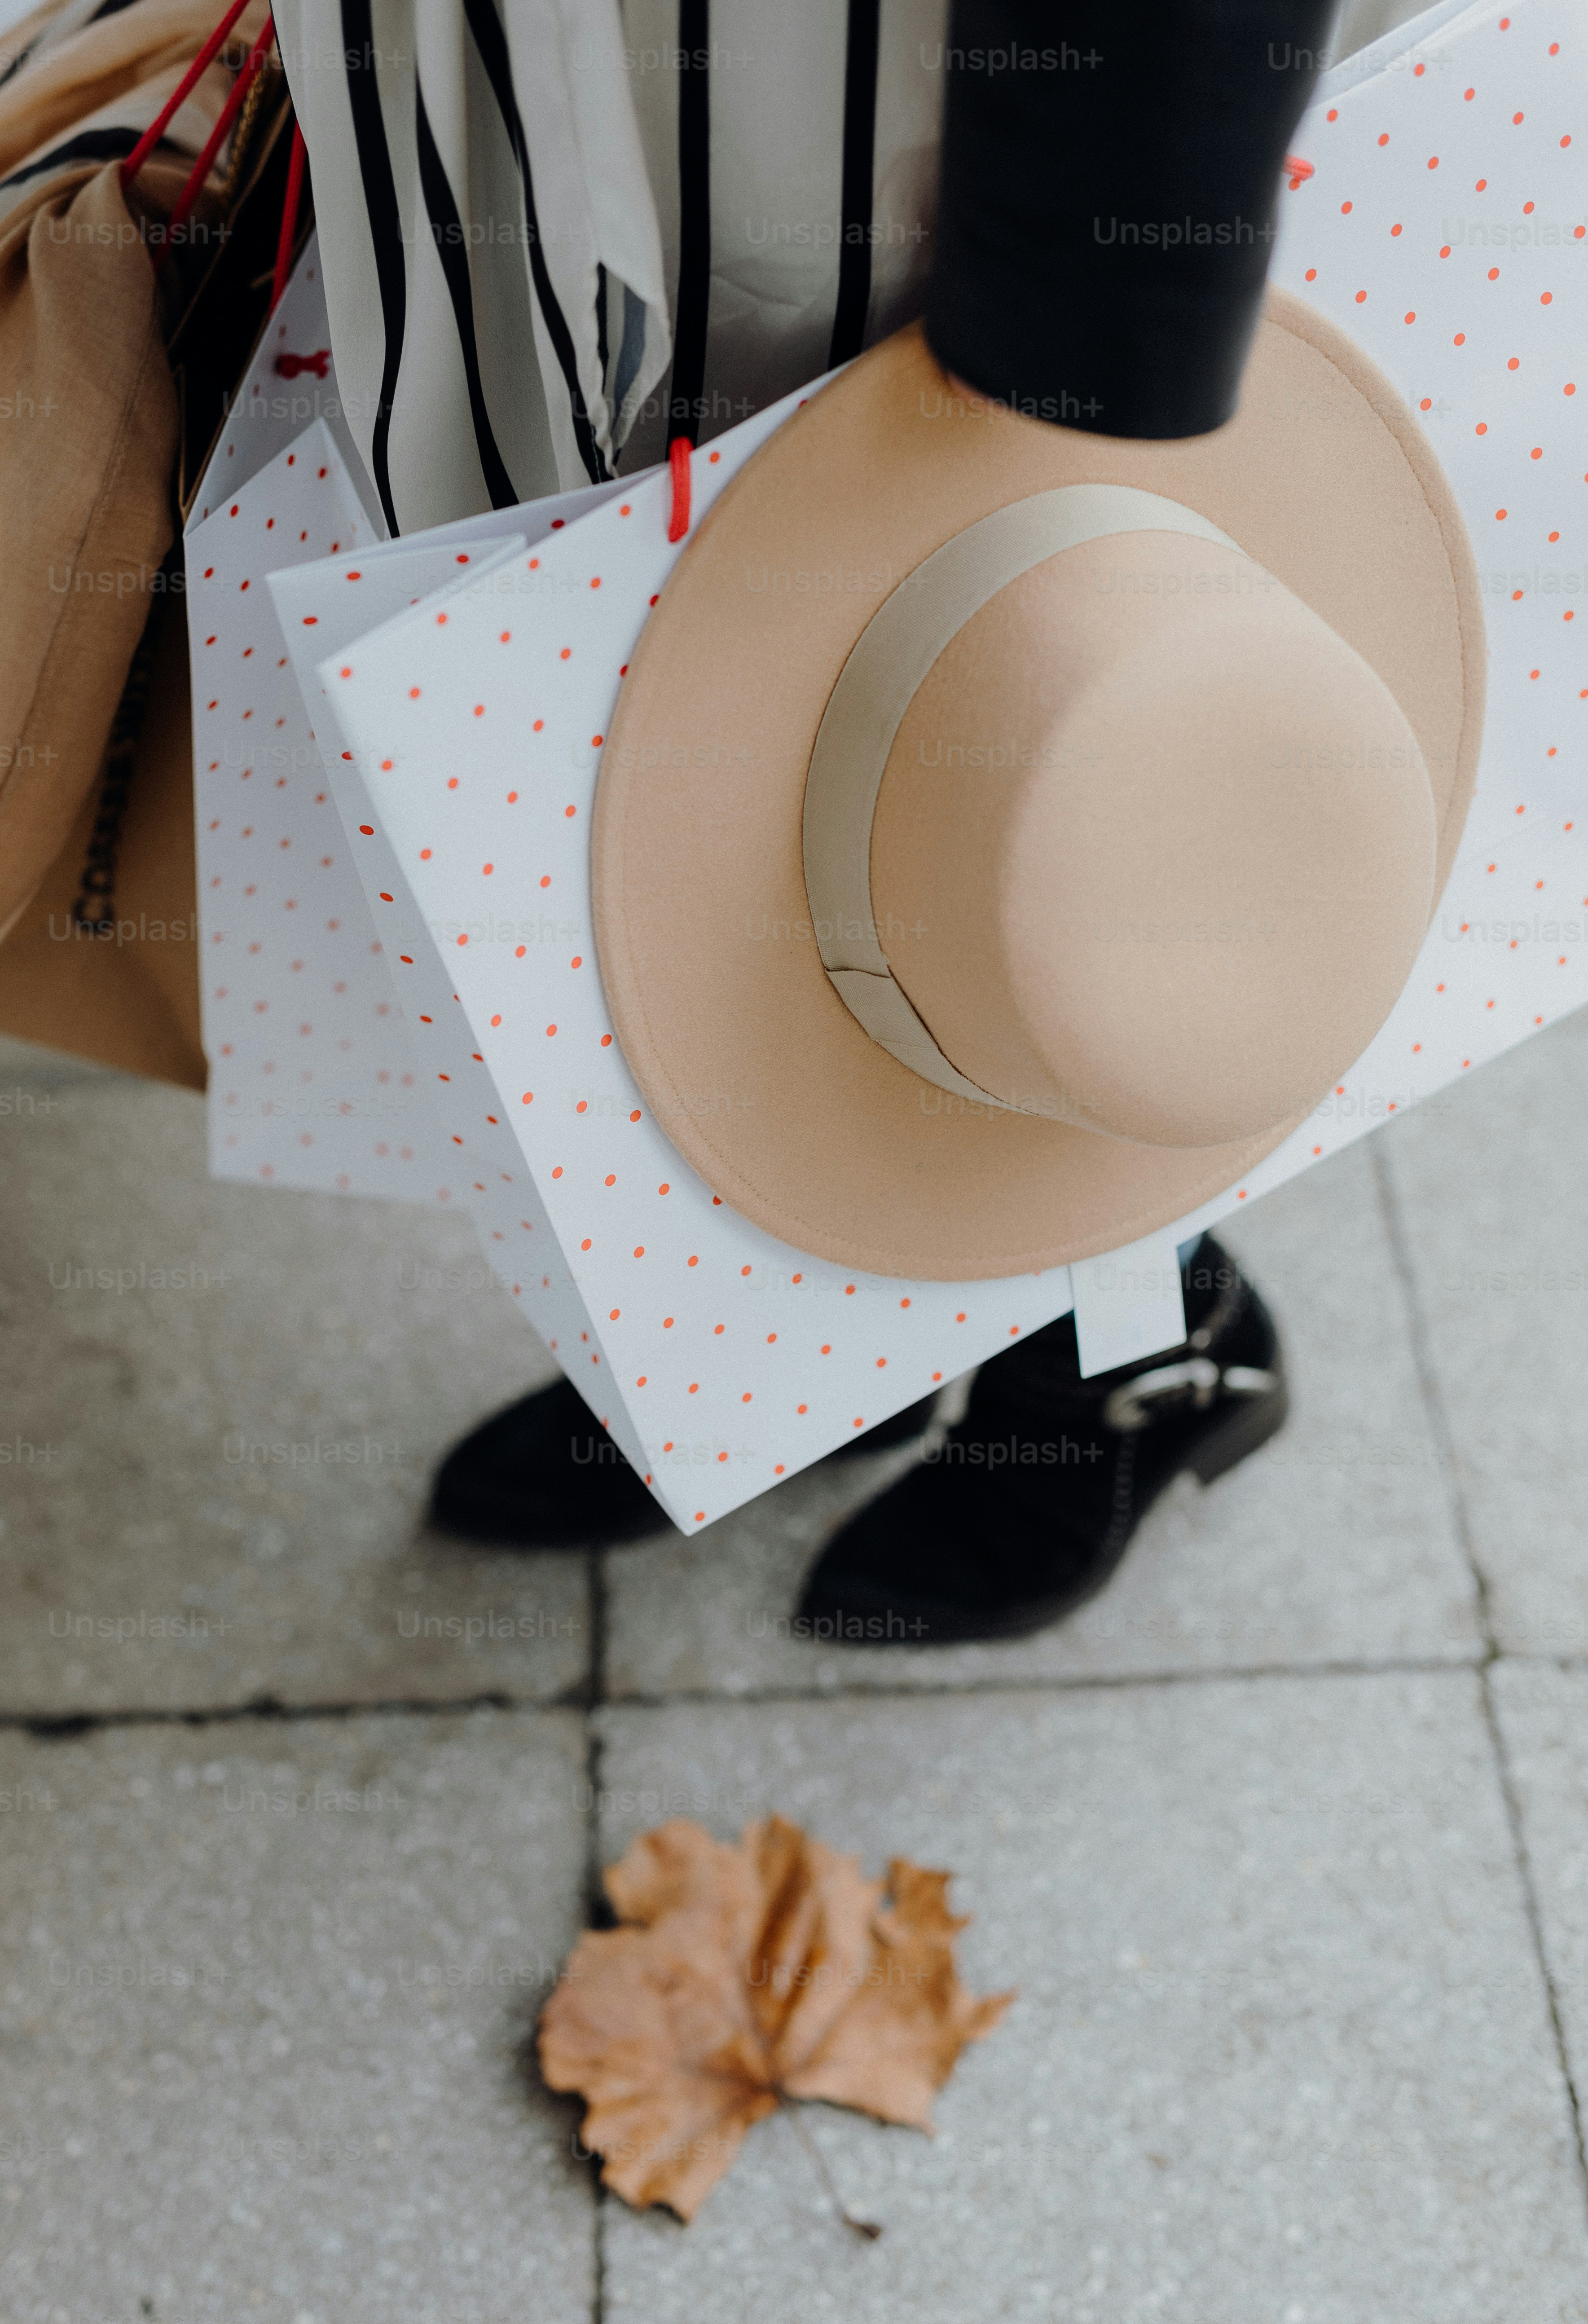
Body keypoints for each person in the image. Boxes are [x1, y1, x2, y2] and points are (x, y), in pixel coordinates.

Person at [278, 0, 1339, 1635]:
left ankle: (1130, 1346)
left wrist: (1098, 316)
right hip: (508, 98)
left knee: (1020, 782)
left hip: (896, 114)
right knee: (634, 749)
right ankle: (797, 1318)